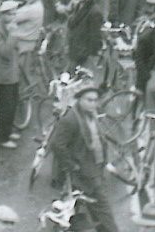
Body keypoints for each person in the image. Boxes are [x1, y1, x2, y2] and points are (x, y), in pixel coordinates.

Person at [50, 86, 120, 232]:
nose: (93, 103)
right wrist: (72, 166)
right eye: (89, 100)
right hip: (84, 175)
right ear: (79, 100)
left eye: (95, 100)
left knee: (90, 212)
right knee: (104, 212)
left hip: (94, 170)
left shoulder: (90, 115)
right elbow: (57, 144)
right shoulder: (71, 119)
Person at [0, 0, 21, 148]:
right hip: (4, 75)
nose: (13, 17)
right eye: (10, 14)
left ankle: (8, 131)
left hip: (13, 72)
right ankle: (1, 138)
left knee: (12, 105)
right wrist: (13, 34)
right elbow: (5, 53)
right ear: (3, 14)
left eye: (15, 14)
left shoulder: (10, 26)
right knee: (4, 108)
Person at [67, 0, 105, 69]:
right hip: (74, 51)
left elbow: (95, 37)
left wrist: (90, 55)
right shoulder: (78, 6)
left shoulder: (94, 12)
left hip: (85, 55)